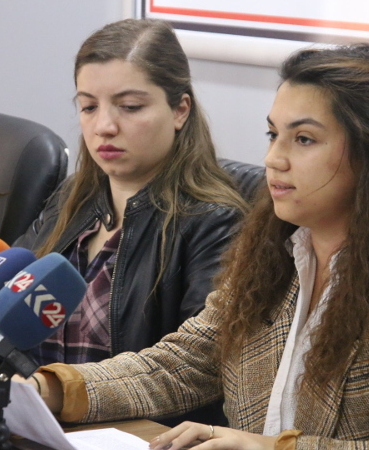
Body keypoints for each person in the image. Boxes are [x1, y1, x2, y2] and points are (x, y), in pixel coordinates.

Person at [0, 43, 369, 449]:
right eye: (273, 135)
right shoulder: (277, 254)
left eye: (303, 139)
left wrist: (273, 448)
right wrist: (48, 391)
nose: (274, 159)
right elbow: (181, 364)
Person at [15, 19, 247, 369]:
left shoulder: (215, 222)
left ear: (180, 110)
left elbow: (195, 367)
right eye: (89, 107)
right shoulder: (72, 196)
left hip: (117, 408)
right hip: (26, 399)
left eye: (130, 106)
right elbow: (2, 301)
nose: (104, 126)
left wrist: (60, 391)